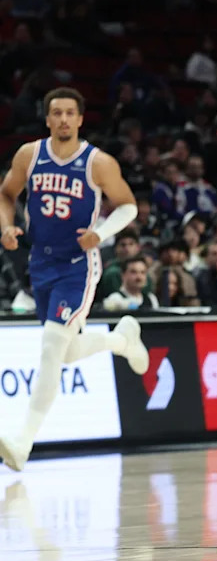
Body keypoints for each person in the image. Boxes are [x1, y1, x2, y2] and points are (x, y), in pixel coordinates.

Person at [0, 87, 149, 471]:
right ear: (47, 118)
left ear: (81, 119)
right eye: (56, 112)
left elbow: (129, 204)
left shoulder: (97, 162)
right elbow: (6, 193)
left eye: (70, 113)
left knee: (52, 348)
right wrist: (7, 227)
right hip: (40, 264)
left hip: (78, 266)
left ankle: (23, 441)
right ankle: (121, 340)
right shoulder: (28, 155)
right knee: (64, 352)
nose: (63, 118)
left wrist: (101, 232)